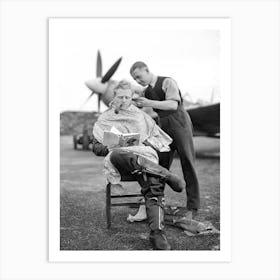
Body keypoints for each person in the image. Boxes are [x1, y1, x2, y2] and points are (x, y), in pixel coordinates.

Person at [92, 80, 185, 250]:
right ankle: (166, 174)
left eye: (128, 97)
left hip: (143, 159)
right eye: (121, 96)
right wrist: (110, 145)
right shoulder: (105, 118)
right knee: (121, 153)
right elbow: (96, 147)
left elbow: (157, 140)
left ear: (132, 97)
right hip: (119, 161)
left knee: (152, 180)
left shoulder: (141, 116)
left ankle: (157, 233)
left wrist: (146, 144)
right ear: (114, 97)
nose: (124, 100)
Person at [130, 62, 200, 212]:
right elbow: (135, 96)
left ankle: (193, 207)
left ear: (146, 70)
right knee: (160, 165)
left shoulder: (167, 82)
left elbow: (173, 105)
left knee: (187, 161)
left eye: (139, 76)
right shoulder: (146, 90)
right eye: (135, 79)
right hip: (162, 126)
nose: (138, 80)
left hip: (179, 122)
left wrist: (148, 102)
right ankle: (155, 202)